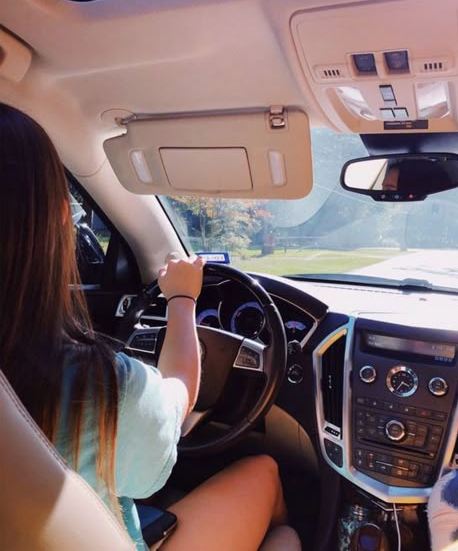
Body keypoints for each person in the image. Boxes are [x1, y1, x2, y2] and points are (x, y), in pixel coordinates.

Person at [0, 103, 291, 551]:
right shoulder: (100, 384)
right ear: (60, 217)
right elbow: (178, 398)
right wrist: (181, 300)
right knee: (268, 481)